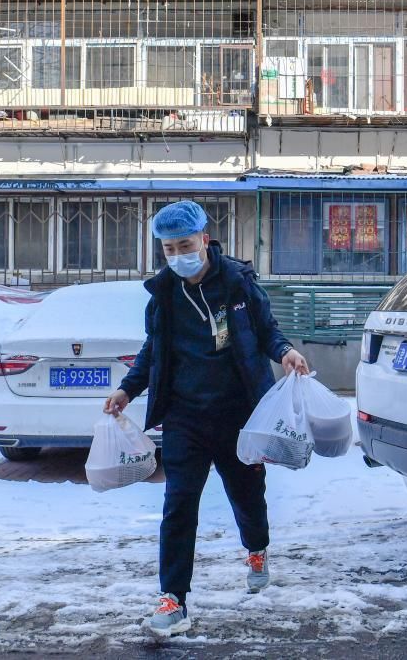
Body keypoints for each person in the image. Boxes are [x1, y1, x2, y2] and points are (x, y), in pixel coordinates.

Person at [103, 200, 310, 638]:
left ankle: (256, 549)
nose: (178, 255)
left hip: (238, 414)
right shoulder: (163, 294)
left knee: (247, 494)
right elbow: (152, 350)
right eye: (168, 248)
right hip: (184, 416)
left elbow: (267, 331)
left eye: (185, 244)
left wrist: (286, 352)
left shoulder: (237, 284)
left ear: (205, 238)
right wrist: (127, 389)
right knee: (179, 505)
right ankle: (173, 599)